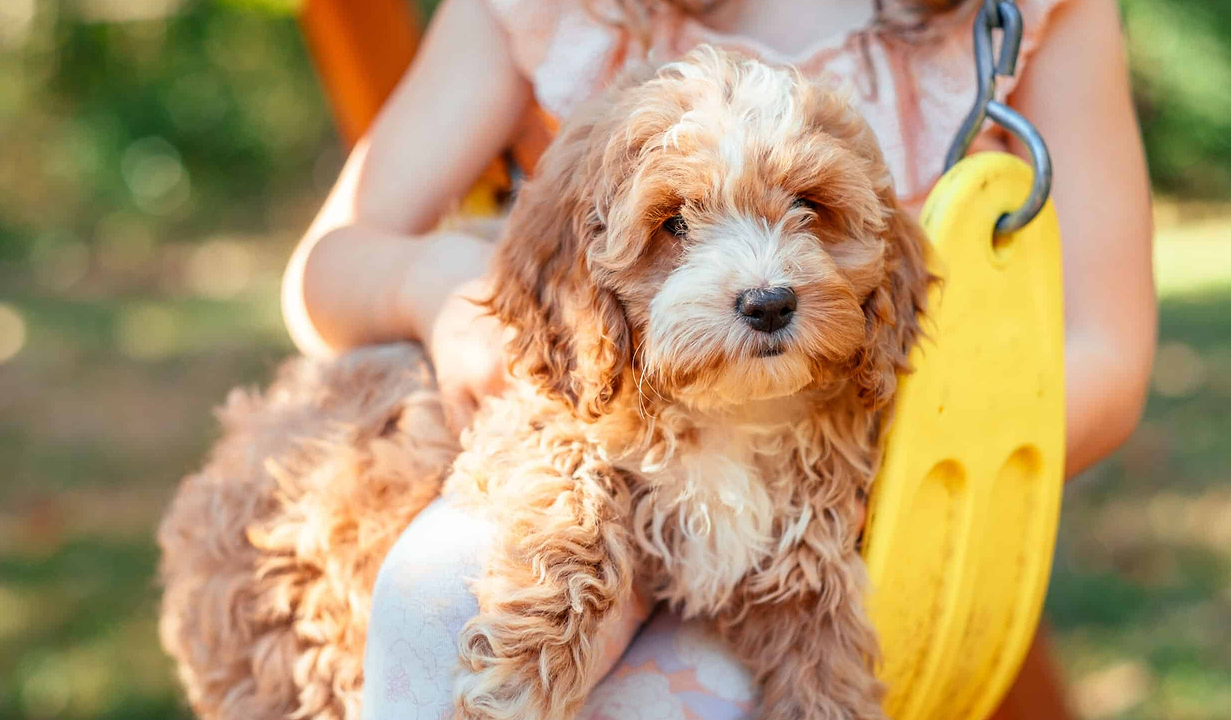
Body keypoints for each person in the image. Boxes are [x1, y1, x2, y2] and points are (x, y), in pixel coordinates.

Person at [279, 0, 1156, 717]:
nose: (767, 277)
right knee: (440, 610)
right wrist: (430, 282)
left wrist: (890, 467)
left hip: (854, 531)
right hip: (600, 469)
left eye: (810, 209)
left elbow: (1105, 356)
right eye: (679, 224)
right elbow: (321, 274)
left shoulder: (1027, 17)